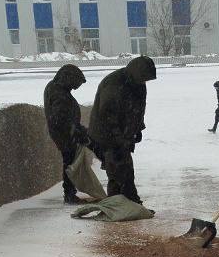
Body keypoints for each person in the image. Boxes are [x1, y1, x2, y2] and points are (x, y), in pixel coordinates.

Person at [88, 55, 156, 203]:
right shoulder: (114, 84)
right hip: (107, 136)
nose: (144, 82)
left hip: (123, 135)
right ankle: (121, 204)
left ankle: (125, 203)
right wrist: (119, 138)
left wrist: (138, 128)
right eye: (143, 78)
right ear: (136, 72)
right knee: (118, 169)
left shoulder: (137, 82)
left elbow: (138, 107)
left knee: (124, 169)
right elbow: (107, 115)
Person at [43, 64, 89, 204]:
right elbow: (60, 118)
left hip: (66, 133)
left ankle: (70, 192)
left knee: (69, 162)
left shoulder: (55, 88)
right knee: (69, 163)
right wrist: (75, 130)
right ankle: (69, 194)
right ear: (68, 78)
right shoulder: (59, 93)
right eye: (75, 84)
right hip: (65, 135)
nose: (75, 88)